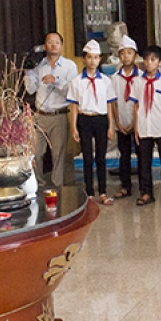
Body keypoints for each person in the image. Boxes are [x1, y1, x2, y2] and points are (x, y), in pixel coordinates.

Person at [25, 31, 79, 188]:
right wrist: (28, 71)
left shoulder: (70, 66)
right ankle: (38, 185)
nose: (53, 45)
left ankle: (57, 187)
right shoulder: (39, 65)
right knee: (36, 152)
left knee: (58, 154)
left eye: (57, 42)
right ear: (45, 46)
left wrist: (56, 81)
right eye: (50, 42)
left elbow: (73, 90)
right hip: (40, 115)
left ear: (61, 46)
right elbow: (30, 90)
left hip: (59, 115)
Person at [67, 39, 115, 206]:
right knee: (88, 157)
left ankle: (102, 191)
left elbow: (109, 105)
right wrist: (74, 127)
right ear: (84, 59)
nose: (92, 61)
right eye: (89, 57)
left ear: (100, 59)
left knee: (101, 157)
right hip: (84, 119)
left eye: (96, 58)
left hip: (100, 119)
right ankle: (89, 192)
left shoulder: (106, 81)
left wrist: (111, 125)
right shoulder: (77, 81)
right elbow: (73, 106)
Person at [129, 45, 161, 206]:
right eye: (146, 59)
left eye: (153, 59)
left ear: (160, 62)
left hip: (160, 126)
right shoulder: (137, 82)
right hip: (143, 127)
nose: (149, 62)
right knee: (144, 162)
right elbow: (135, 106)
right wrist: (136, 128)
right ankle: (146, 192)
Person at [109, 37, 140, 199]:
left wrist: (136, 123)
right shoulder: (114, 78)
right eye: (122, 53)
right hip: (121, 123)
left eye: (129, 53)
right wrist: (117, 123)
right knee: (124, 155)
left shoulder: (141, 76)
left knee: (142, 155)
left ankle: (144, 186)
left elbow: (142, 102)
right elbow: (113, 102)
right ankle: (125, 185)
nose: (126, 56)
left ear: (135, 55)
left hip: (139, 124)